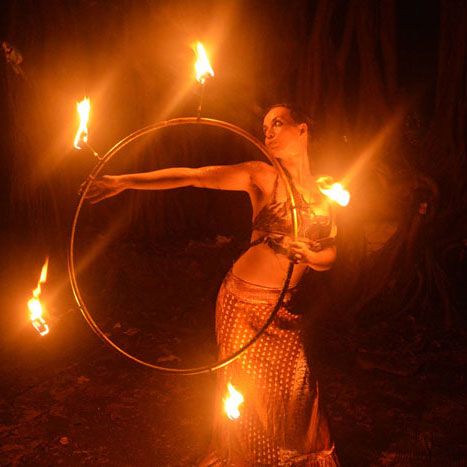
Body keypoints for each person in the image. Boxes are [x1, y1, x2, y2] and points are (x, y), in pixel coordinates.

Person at [85, 104, 340, 466]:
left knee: (297, 391)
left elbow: (330, 254)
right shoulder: (263, 177)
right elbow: (194, 175)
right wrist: (124, 181)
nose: (267, 131)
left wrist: (310, 256)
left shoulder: (327, 194)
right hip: (241, 303)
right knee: (247, 399)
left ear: (303, 129)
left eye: (277, 123)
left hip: (284, 310)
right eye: (264, 125)